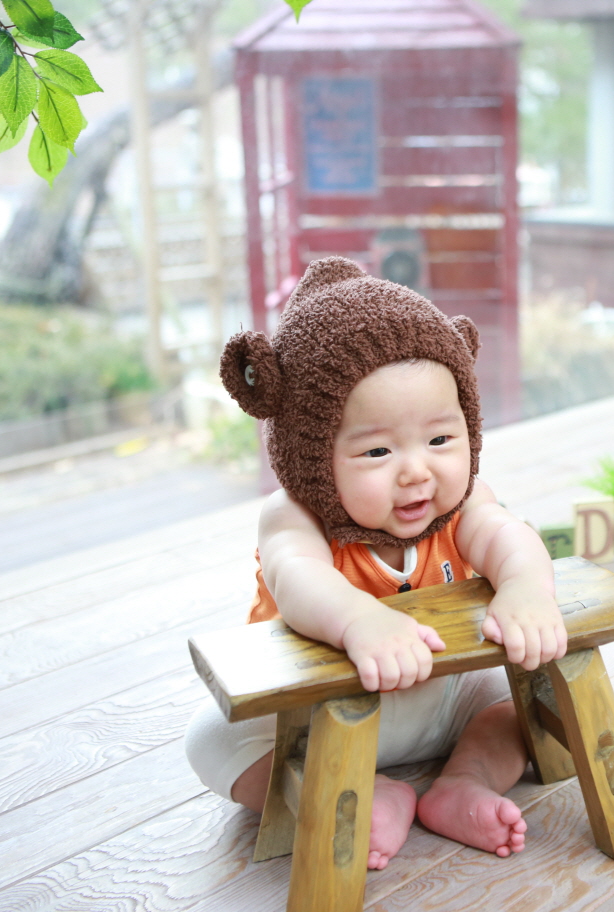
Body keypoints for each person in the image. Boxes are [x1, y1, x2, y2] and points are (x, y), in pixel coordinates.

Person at [185, 257, 568, 870]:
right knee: (212, 742)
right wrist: (360, 620)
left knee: (526, 703)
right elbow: (298, 576)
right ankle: (367, 793)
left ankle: (462, 783)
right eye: (378, 451)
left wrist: (526, 587)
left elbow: (507, 534)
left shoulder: (464, 502)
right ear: (312, 454)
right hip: (317, 715)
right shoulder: (293, 516)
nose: (416, 471)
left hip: (444, 696)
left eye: (440, 440)